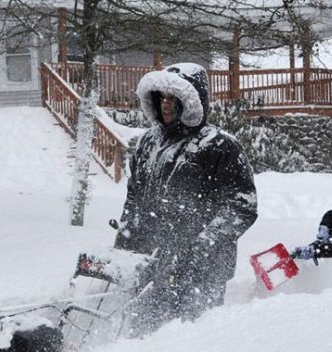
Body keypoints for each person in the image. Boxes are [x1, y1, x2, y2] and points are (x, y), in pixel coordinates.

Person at [114, 63, 258, 336]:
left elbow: (242, 206)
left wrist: (203, 245)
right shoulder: (148, 142)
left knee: (189, 336)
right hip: (150, 258)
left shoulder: (219, 145)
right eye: (162, 99)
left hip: (200, 270)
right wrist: (128, 230)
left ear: (190, 101)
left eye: (173, 99)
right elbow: (135, 194)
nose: (166, 105)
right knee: (144, 333)